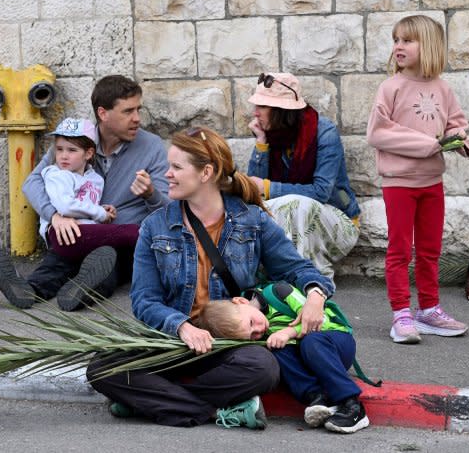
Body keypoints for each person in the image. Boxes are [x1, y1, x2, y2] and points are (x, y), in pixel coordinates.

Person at [86, 126, 335, 429]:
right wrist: (182, 327)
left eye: (177, 167)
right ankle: (217, 411)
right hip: (174, 341)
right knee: (102, 367)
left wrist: (315, 295)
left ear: (206, 173)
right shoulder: (155, 226)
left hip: (228, 344)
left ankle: (155, 404)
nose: (167, 174)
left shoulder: (251, 221)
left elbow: (299, 270)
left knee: (264, 368)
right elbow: (144, 300)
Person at [0, 75, 169, 311]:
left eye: (138, 109)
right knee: (58, 261)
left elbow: (168, 210)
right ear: (103, 114)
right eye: (128, 111)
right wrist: (56, 216)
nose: (137, 118)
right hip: (77, 231)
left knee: (108, 261)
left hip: (119, 241)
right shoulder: (76, 140)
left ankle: (80, 291)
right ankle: (28, 291)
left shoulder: (152, 146)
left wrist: (150, 193)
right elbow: (33, 182)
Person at [366, 15, 469, 344]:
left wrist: (461, 141)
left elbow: (456, 123)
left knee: (429, 250)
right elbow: (378, 133)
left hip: (431, 183)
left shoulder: (442, 88)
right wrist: (429, 145)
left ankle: (428, 310)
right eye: (396, 40)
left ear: (428, 46)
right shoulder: (390, 87)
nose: (398, 46)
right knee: (400, 249)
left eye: (407, 40)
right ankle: (401, 314)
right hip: (398, 183)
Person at [195, 281, 369, 434]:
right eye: (252, 335)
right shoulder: (258, 328)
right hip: (307, 359)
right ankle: (317, 398)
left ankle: (352, 405)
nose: (258, 330)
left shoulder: (280, 292)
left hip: (335, 346)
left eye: (251, 323)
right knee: (275, 349)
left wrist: (289, 331)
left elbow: (322, 320)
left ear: (240, 301)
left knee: (311, 341)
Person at [246, 72, 360, 280]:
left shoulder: (324, 133)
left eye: (262, 106)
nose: (255, 113)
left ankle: (309, 280)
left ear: (281, 111)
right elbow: (254, 193)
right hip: (295, 221)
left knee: (298, 205)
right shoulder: (273, 135)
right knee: (257, 211)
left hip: (339, 224)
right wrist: (261, 143)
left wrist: (269, 188)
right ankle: (284, 277)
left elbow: (320, 192)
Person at [37, 117, 140, 261]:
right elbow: (65, 206)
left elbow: (84, 204)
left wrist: (103, 209)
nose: (64, 156)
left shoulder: (95, 179)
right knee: (133, 233)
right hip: (62, 232)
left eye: (72, 150)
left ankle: (27, 284)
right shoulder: (57, 175)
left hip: (84, 233)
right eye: (59, 149)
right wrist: (100, 213)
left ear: (89, 153)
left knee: (63, 269)